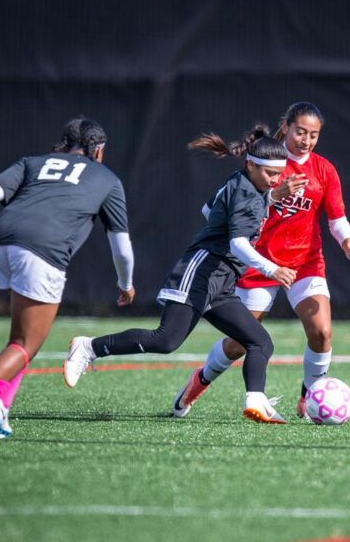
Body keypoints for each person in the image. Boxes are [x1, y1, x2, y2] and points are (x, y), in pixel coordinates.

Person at [64, 124, 297, 423]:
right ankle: (89, 347)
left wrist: (267, 198)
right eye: (270, 174)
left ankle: (256, 400)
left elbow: (206, 209)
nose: (276, 180)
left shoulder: (245, 185)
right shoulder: (247, 193)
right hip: (201, 270)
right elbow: (238, 244)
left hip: (221, 282)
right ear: (251, 164)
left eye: (279, 174)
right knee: (165, 340)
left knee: (260, 342)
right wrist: (272, 268)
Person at [170, 102, 350, 420]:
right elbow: (230, 206)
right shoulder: (267, 163)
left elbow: (337, 218)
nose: (305, 140)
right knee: (240, 342)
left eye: (313, 135)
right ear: (287, 127)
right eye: (300, 132)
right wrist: (276, 195)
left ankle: (310, 399)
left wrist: (348, 245)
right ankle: (199, 382)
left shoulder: (324, 170)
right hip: (260, 263)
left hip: (305, 262)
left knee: (321, 332)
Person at [0, 118, 135, 438]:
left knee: (21, 339)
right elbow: (122, 248)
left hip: (0, 241)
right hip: (40, 251)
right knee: (24, 345)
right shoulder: (107, 178)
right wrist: (126, 283)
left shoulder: (33, 161)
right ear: (98, 150)